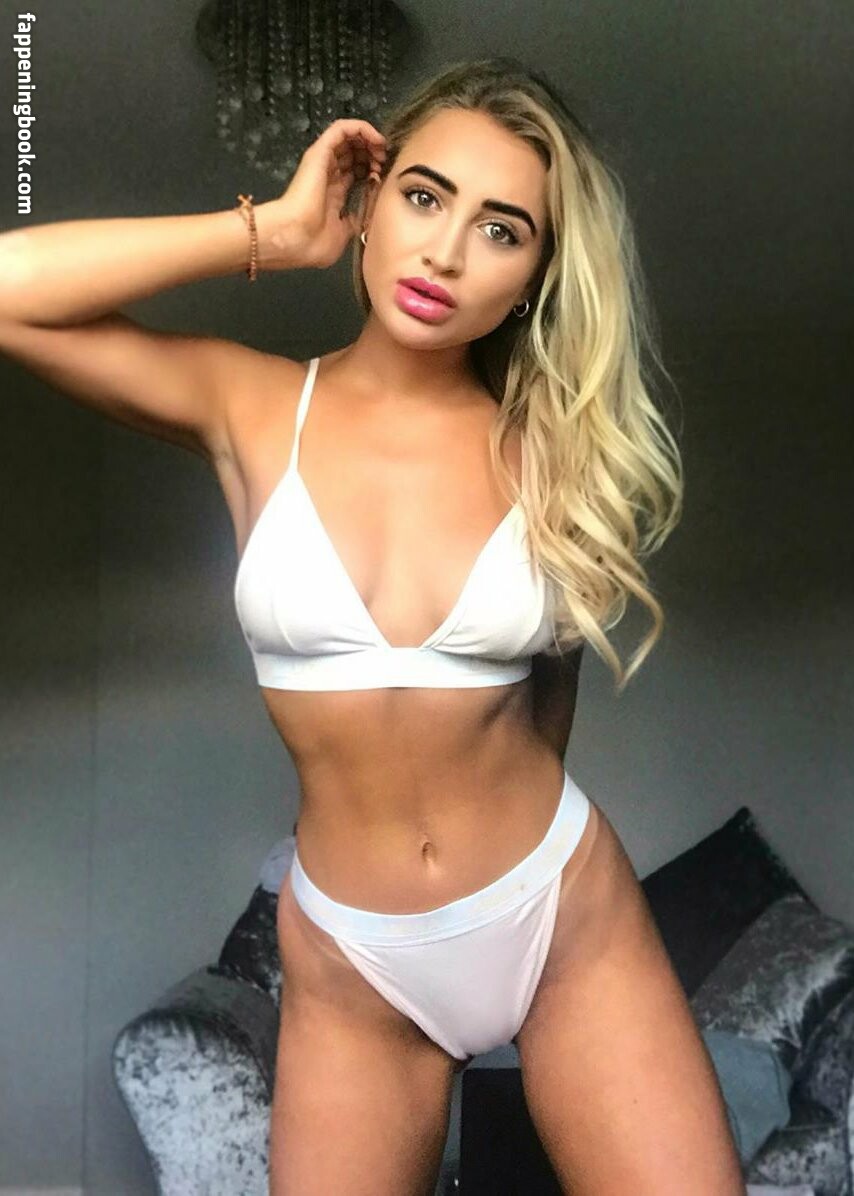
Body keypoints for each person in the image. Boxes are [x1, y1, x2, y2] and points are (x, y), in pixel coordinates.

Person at [0, 55, 746, 1196]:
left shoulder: (546, 450)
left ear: (534, 278)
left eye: (501, 230)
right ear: (370, 206)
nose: (445, 253)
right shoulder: (252, 406)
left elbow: (546, 701)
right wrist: (275, 230)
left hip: (556, 913)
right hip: (356, 961)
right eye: (423, 196)